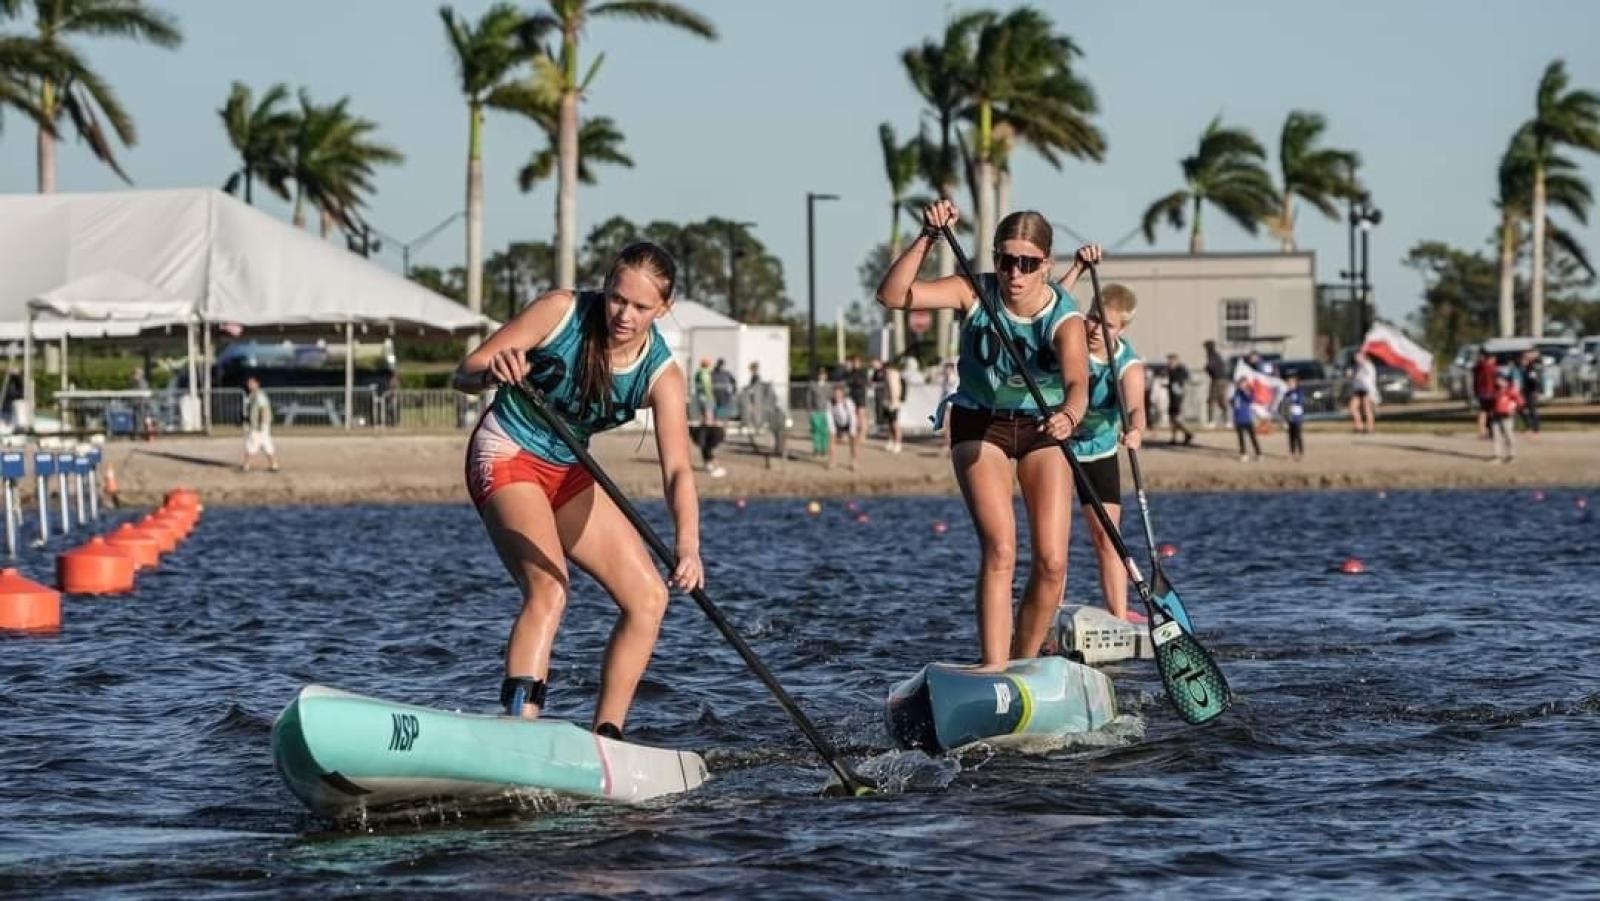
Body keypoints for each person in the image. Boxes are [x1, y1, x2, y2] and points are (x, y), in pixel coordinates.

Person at [452, 241, 702, 738]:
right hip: (507, 452)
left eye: (640, 307)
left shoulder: (662, 375)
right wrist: (493, 372)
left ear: (664, 308)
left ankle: (607, 738)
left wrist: (688, 545)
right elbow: (465, 372)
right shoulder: (561, 311)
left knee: (649, 597)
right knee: (550, 588)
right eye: (616, 299)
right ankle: (518, 729)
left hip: (568, 470)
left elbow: (677, 470)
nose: (623, 315)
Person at [876, 199, 1089, 669]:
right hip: (980, 422)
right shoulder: (973, 291)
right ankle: (994, 670)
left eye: (1028, 264)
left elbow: (1078, 385)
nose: (1015, 273)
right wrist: (928, 238)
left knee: (1053, 563)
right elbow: (892, 296)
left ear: (1047, 267)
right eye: (1005, 260)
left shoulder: (1065, 317)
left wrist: (1069, 417)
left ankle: (1024, 665)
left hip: (1042, 426)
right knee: (1000, 549)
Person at [1064, 281, 1145, 622]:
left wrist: (1136, 429)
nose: (1095, 329)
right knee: (1053, 541)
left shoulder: (1127, 363)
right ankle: (1048, 614)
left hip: (1099, 451)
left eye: (1107, 324)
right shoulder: (1069, 343)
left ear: (1121, 328)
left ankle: (1119, 616)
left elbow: (1136, 406)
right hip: (1058, 449)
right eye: (1093, 318)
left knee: (1107, 538)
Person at [240, 376, 279, 472]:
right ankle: (274, 465)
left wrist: (262, 423)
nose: (249, 385)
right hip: (259, 425)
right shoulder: (253, 395)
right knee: (266, 444)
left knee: (251, 444)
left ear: (257, 384)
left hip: (259, 426)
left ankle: (246, 466)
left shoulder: (259, 396)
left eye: (251, 383)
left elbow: (263, 410)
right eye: (249, 383)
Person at [1489, 370, 1522, 463]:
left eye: (1499, 379)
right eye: (1496, 379)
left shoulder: (1510, 389)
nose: (1497, 381)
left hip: (1506, 416)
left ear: (1504, 379)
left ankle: (1511, 455)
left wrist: (1514, 408)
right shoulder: (1495, 390)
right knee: (1496, 436)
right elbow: (1493, 402)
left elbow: (1520, 401)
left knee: (1508, 435)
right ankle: (1497, 456)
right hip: (1496, 415)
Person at [1164, 352, 1194, 445]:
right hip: (1172, 397)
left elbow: (1181, 382)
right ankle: (1174, 438)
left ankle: (1188, 433)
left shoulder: (1180, 370)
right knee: (1171, 419)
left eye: (1171, 361)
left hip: (1178, 398)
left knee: (1176, 419)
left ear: (1176, 360)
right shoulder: (1170, 370)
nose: (1169, 363)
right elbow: (1171, 383)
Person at [826, 383, 858, 470]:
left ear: (843, 394)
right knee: (832, 440)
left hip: (848, 422)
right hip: (837, 423)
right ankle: (832, 461)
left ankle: (854, 461)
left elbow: (852, 417)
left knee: (853, 441)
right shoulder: (830, 403)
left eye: (839, 393)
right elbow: (829, 417)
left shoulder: (848, 402)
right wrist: (832, 430)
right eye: (835, 393)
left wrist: (852, 430)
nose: (837, 395)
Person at [1231, 376, 1261, 462]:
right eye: (1240, 383)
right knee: (1241, 438)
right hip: (1238, 419)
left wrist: (1244, 391)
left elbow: (1251, 399)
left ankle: (1258, 453)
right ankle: (1243, 453)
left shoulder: (1249, 392)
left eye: (1244, 383)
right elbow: (1234, 404)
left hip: (1247, 419)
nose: (1242, 385)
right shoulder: (1236, 393)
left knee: (1253, 437)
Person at [1472, 348, 1499, 439]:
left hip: (1480, 392)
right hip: (1490, 392)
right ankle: (1492, 431)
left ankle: (1481, 431)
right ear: (1490, 358)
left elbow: (1475, 380)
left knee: (1483, 411)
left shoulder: (1477, 367)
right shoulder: (1491, 368)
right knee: (1491, 412)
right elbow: (1496, 380)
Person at [1348, 352, 1377, 434]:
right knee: (1352, 408)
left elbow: (1371, 377)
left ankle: (1370, 428)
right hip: (1358, 389)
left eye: (1358, 357)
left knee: (1367, 409)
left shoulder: (1368, 365)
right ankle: (1359, 426)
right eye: (1356, 357)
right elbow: (1355, 377)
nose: (1356, 359)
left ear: (1363, 357)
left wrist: (1373, 393)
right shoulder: (1357, 367)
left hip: (1367, 389)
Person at [881, 357, 905, 453]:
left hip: (893, 403)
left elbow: (894, 389)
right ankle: (891, 440)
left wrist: (893, 401)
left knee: (895, 423)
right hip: (888, 402)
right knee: (890, 423)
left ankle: (898, 442)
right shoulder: (889, 374)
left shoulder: (892, 375)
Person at [807, 367, 831, 459]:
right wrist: (809, 410)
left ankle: (824, 450)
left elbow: (831, 398)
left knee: (824, 431)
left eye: (823, 374)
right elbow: (809, 398)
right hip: (815, 411)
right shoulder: (813, 386)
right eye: (820, 374)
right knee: (816, 431)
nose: (821, 376)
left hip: (826, 411)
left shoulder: (828, 386)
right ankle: (816, 449)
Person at [1203, 340, 1229, 428]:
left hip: (1217, 380)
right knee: (1222, 401)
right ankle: (1227, 421)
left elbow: (1211, 366)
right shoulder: (1217, 355)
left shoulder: (1212, 355)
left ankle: (1211, 421)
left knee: (1211, 400)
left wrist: (1206, 368)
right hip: (1222, 379)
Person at [1281, 373, 1306, 460]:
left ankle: (1300, 452)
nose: (1290, 384)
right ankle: (1292, 452)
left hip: (1297, 417)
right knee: (1291, 436)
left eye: (1292, 383)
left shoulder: (1299, 392)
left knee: (1298, 435)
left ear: (1295, 383)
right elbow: (1284, 405)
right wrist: (1284, 418)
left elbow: (1300, 401)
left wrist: (1292, 401)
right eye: (1289, 383)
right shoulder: (1287, 394)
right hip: (1290, 417)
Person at [1518, 349, 1542, 435]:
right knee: (1521, 409)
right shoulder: (1523, 369)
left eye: (1524, 360)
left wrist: (1536, 390)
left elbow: (1535, 380)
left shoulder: (1531, 368)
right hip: (1525, 391)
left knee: (1532, 410)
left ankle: (1535, 428)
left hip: (1531, 392)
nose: (1522, 361)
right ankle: (1529, 427)